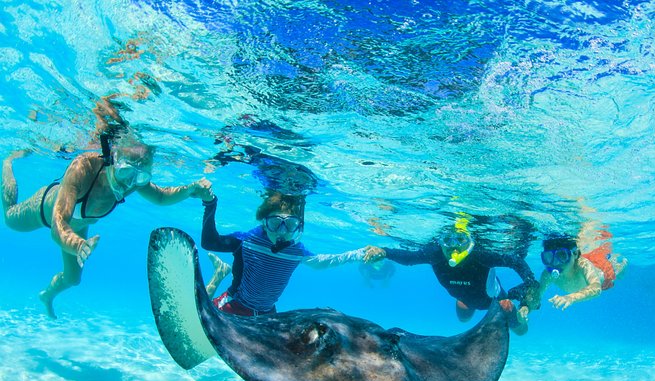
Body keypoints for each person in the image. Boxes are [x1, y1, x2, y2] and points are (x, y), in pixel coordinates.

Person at [1, 101, 212, 318]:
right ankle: (8, 161)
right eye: (125, 172)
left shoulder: (132, 179)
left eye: (140, 177)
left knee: (73, 279)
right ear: (113, 158)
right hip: (45, 211)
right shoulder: (83, 167)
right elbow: (58, 225)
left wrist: (190, 189)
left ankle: (46, 296)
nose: (129, 182)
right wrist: (77, 244)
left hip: (79, 226)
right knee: (9, 217)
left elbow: (160, 196)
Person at [200, 190, 376, 316]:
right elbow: (209, 242)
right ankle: (219, 274)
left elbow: (322, 262)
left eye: (290, 225)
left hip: (268, 313)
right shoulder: (247, 241)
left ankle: (221, 270)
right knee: (201, 315)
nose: (281, 232)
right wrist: (210, 203)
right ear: (264, 221)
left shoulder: (296, 250)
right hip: (235, 304)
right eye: (275, 223)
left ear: (298, 226)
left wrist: (357, 254)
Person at [366, 218, 540, 335]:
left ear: (469, 244)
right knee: (463, 318)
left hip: (495, 300)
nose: (454, 248)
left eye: (461, 242)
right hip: (464, 299)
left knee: (519, 329)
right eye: (448, 241)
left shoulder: (481, 256)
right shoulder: (434, 254)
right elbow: (410, 258)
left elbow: (515, 260)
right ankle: (466, 303)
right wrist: (384, 252)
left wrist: (530, 281)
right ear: (441, 242)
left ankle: (520, 321)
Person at [518, 229, 628, 322]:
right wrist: (526, 307)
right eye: (548, 257)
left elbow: (596, 287)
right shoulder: (548, 274)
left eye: (562, 255)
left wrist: (571, 297)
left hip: (602, 278)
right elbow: (537, 295)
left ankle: (618, 264)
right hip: (583, 285)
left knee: (617, 274)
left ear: (575, 254)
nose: (555, 263)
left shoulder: (582, 264)